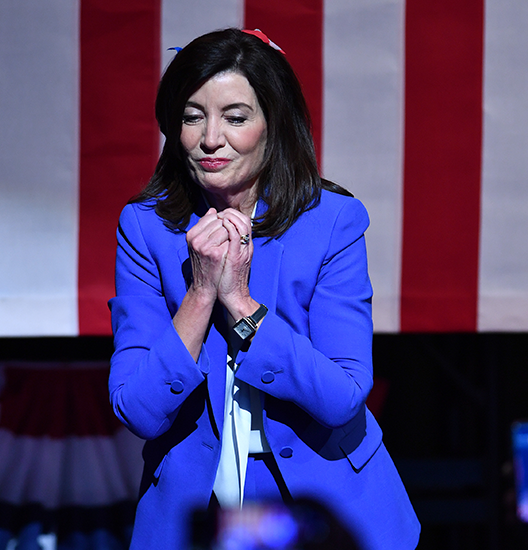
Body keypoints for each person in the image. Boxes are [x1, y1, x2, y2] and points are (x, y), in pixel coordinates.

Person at [108, 28, 420, 550]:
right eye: (191, 116)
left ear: (273, 123)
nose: (210, 138)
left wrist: (241, 303)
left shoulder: (332, 222)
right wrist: (202, 293)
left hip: (333, 510)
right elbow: (138, 409)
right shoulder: (145, 228)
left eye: (235, 117)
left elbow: (343, 396)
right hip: (195, 513)